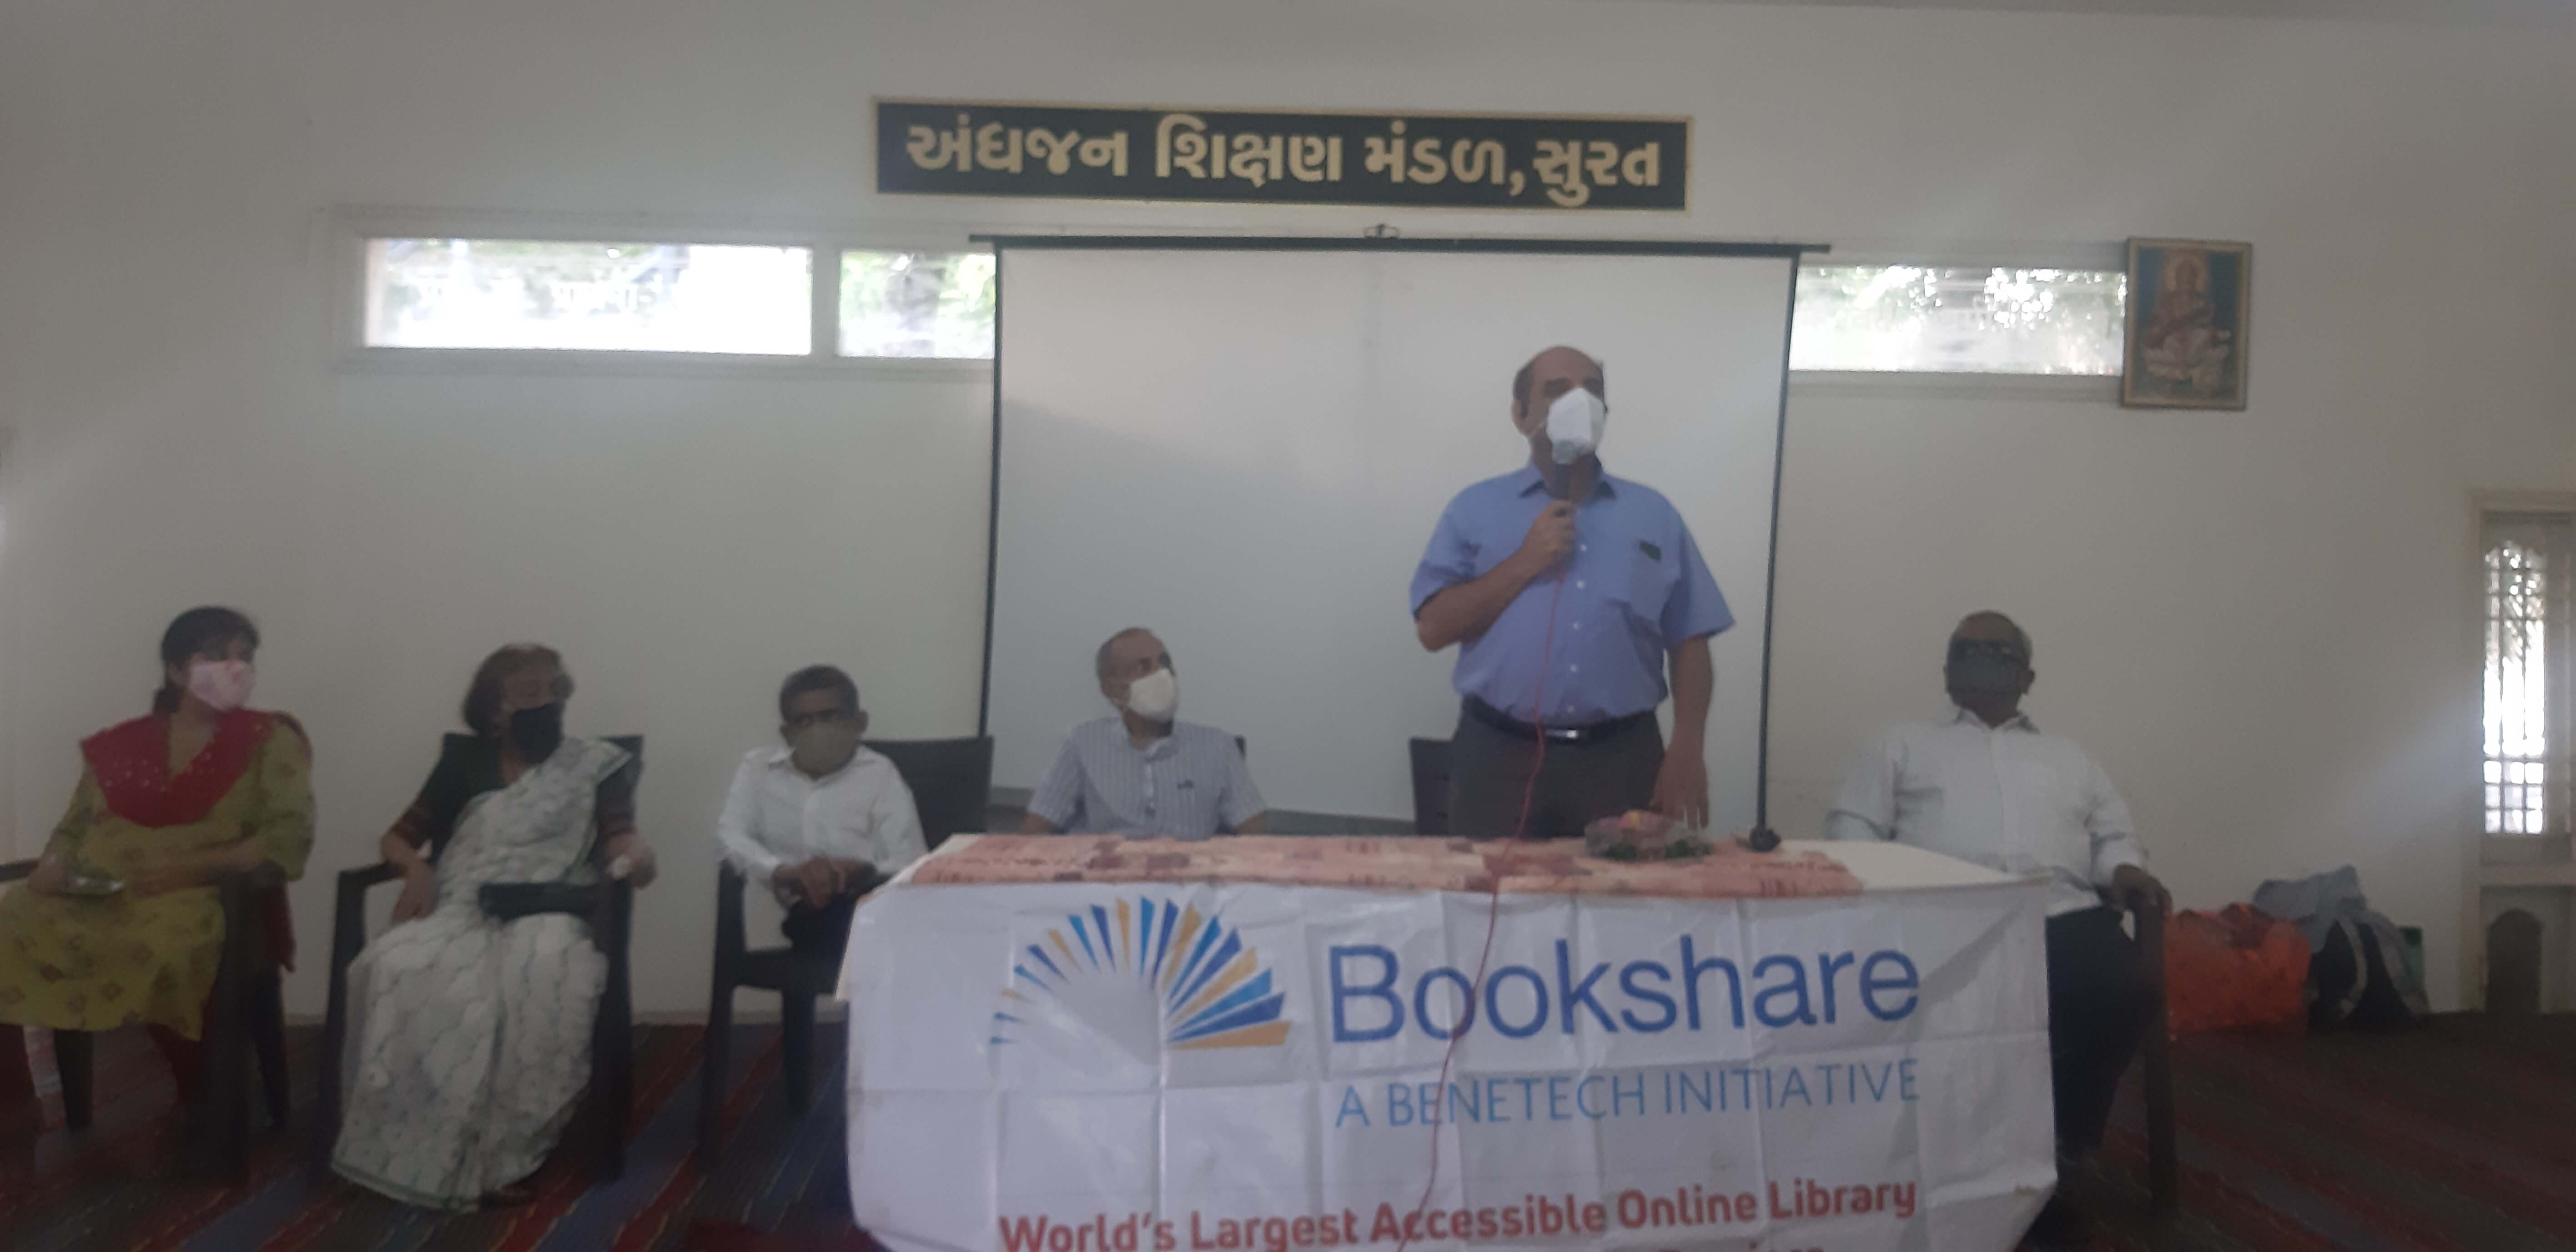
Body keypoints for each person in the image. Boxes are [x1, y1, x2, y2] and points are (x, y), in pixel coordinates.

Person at [1824, 611, 2169, 1248]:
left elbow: (2114, 836)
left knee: (2125, 986)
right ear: (1946, 668)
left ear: (2028, 676)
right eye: (1966, 649)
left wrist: (2123, 868)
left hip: (2057, 914)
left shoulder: (2069, 758)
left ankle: (2057, 1151)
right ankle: (1940, 1161)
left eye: (1996, 651)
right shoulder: (1901, 744)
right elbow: (1852, 830)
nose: (1979, 658)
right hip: (1942, 918)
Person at [331, 644, 658, 1210]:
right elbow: (398, 838)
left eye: (555, 690)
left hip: (550, 908)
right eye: (530, 692)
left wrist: (636, 855)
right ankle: (412, 1142)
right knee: (396, 963)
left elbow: (620, 835)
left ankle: (507, 1152)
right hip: (464, 903)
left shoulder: (594, 763)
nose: (547, 701)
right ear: (495, 709)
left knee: (545, 971)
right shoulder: (464, 763)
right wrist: (416, 871)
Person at [0, 607, 313, 1156]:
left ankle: (199, 1093)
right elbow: (73, 827)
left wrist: (194, 868)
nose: (234, 667)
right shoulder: (121, 747)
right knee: (6, 922)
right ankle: (13, 1103)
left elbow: (286, 834)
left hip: (198, 894)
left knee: (164, 945)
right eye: (215, 654)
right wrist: (53, 863)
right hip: (95, 889)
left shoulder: (269, 741)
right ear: (175, 670)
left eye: (245, 656)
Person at [1411, 346, 1733, 840]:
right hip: (1499, 757)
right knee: (1495, 887)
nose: (1579, 402)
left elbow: (1690, 639)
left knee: (1624, 887)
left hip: (1623, 758)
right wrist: (1526, 561)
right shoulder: (1473, 510)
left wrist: (1688, 750)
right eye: (1557, 390)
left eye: (1592, 390)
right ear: (1521, 415)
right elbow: (1433, 630)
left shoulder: (1654, 515)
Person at [714, 665, 926, 958]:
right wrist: (781, 871)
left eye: (830, 717)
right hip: (783, 911)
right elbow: (729, 836)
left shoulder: (880, 774)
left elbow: (910, 861)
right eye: (803, 721)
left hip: (864, 913)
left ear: (859, 723)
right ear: (787, 734)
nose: (817, 730)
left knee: (842, 914)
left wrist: (862, 872)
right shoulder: (759, 771)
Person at [1021, 627, 1267, 838]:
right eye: (1143, 667)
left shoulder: (1218, 747)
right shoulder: (1083, 743)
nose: (1162, 674)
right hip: (1108, 873)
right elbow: (1036, 831)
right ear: (1111, 690)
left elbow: (1259, 841)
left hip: (1189, 874)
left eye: (1165, 663)